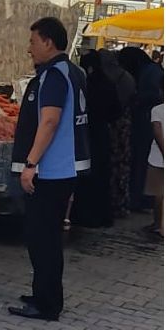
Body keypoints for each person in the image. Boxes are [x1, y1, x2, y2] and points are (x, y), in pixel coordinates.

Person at [10, 17, 90, 321]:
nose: (29, 49)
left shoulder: (54, 76)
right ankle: (42, 292)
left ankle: (46, 304)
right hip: (65, 169)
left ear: (47, 42)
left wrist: (31, 164)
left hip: (52, 171)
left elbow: (50, 121)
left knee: (43, 238)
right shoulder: (73, 71)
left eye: (32, 41)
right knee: (45, 237)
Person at [71, 50, 121, 228]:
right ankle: (103, 216)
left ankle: (85, 216)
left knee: (87, 177)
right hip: (103, 134)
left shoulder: (85, 85)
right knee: (102, 176)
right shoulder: (108, 83)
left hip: (87, 135)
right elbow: (116, 111)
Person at [118, 47, 162, 212]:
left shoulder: (149, 72)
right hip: (145, 124)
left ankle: (140, 198)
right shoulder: (150, 69)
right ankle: (141, 198)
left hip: (146, 124)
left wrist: (135, 99)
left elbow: (152, 96)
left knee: (142, 161)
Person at [100, 49, 136, 218]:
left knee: (113, 164)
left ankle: (114, 201)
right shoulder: (126, 76)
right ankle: (121, 203)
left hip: (114, 125)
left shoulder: (106, 78)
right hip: (124, 124)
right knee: (122, 165)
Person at [145, 103, 164, 237]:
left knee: (159, 194)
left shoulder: (157, 110)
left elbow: (157, 131)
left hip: (158, 157)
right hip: (162, 157)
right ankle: (158, 224)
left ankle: (159, 224)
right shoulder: (159, 110)